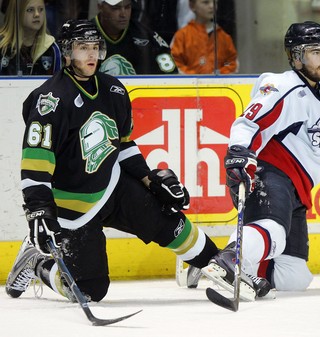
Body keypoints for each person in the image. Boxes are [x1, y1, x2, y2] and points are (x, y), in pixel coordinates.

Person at [5, 19, 219, 303]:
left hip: (112, 185)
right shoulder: (50, 101)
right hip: (72, 207)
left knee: (168, 221)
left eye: (95, 47)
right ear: (67, 53)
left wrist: (149, 180)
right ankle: (38, 264)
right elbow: (36, 165)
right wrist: (39, 210)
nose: (92, 55)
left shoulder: (114, 90)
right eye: (83, 48)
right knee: (89, 291)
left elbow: (123, 144)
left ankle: (218, 262)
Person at [191, 21, 320, 299]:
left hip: (299, 190)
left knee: (294, 276)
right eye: (315, 52)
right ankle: (231, 260)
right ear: (296, 56)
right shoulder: (281, 86)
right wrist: (239, 153)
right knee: (272, 232)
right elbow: (249, 123)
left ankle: (209, 259)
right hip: (267, 174)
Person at [92, 0, 177, 75]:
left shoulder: (144, 35)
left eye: (127, 7)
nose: (123, 14)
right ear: (100, 7)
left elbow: (171, 75)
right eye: (116, 8)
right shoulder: (84, 35)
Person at [170, 0, 238, 74]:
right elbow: (174, 63)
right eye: (206, 2)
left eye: (215, 2)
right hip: (190, 84)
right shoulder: (182, 36)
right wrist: (193, 76)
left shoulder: (224, 37)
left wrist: (219, 74)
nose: (212, 6)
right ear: (192, 6)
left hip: (218, 84)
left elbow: (231, 62)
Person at [0, 0, 61, 75]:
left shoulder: (52, 48)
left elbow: (58, 84)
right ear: (17, 14)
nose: (37, 14)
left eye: (41, 9)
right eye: (30, 10)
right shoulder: (2, 47)